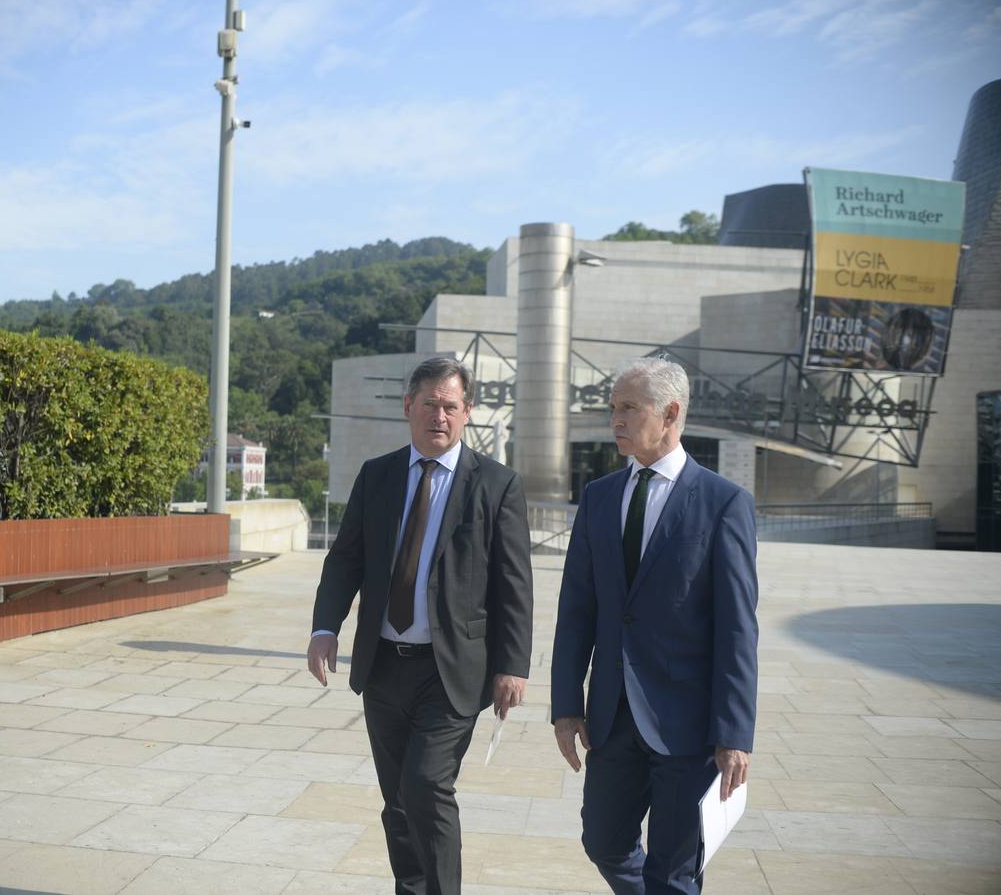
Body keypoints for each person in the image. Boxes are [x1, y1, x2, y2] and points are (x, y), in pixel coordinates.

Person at [309, 356, 534, 895]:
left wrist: (512, 666)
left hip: (452, 670)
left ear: (468, 412)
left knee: (426, 785)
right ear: (409, 407)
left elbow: (514, 584)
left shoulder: (497, 485)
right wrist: (325, 627)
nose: (440, 415)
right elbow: (346, 559)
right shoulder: (378, 475)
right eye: (430, 404)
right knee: (397, 800)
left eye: (451, 406)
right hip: (383, 665)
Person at [550, 357, 759, 895]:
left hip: (689, 728)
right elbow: (577, 609)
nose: (614, 420)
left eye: (627, 408)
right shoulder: (598, 498)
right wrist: (567, 704)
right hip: (613, 719)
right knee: (603, 842)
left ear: (670, 413)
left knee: (674, 871)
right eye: (612, 408)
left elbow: (738, 629)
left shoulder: (724, 503)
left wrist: (734, 734)